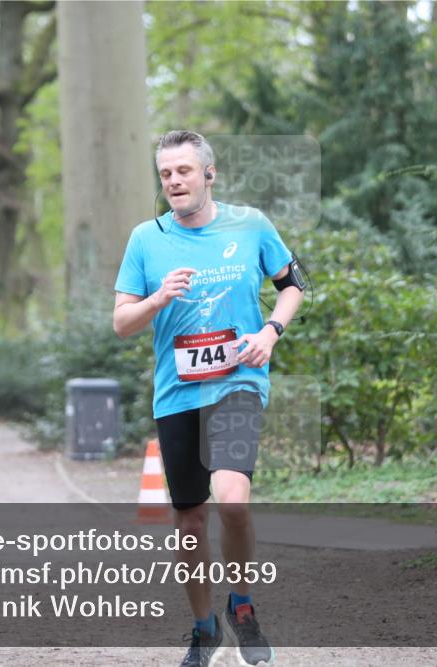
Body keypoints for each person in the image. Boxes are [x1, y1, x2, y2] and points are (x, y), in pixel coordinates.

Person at [113, 130, 305, 667]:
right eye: (166, 173)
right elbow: (121, 323)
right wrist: (157, 297)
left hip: (238, 383)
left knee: (234, 501)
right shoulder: (145, 240)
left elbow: (295, 283)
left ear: (208, 174)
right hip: (177, 395)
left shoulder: (251, 224)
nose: (174, 181)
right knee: (191, 520)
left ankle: (241, 607)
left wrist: (269, 333)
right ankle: (204, 628)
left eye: (184, 171)